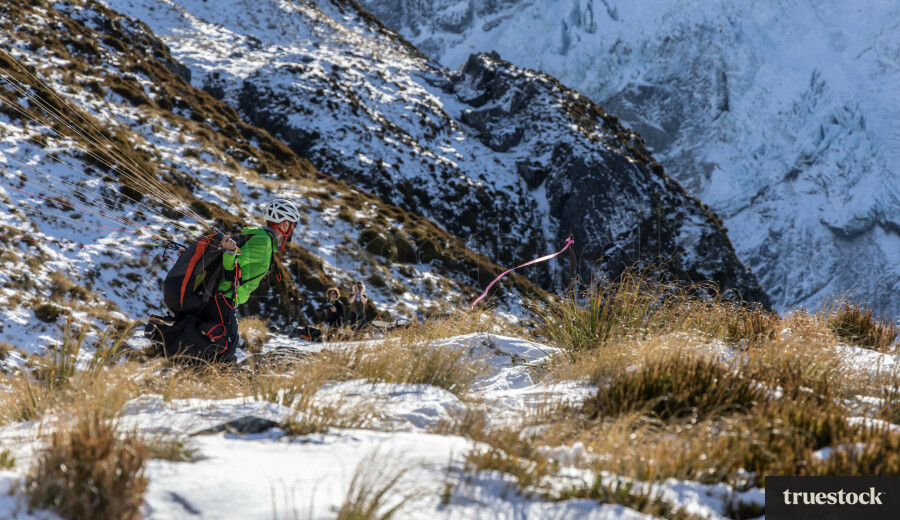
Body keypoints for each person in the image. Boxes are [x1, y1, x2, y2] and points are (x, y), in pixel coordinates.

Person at [148, 199, 300, 363]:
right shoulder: (263, 242)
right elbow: (234, 265)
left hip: (220, 299)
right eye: (293, 225)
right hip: (223, 300)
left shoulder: (262, 239)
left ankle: (189, 370)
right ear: (285, 224)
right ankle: (202, 375)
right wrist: (229, 255)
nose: (292, 230)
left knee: (216, 345)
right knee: (225, 352)